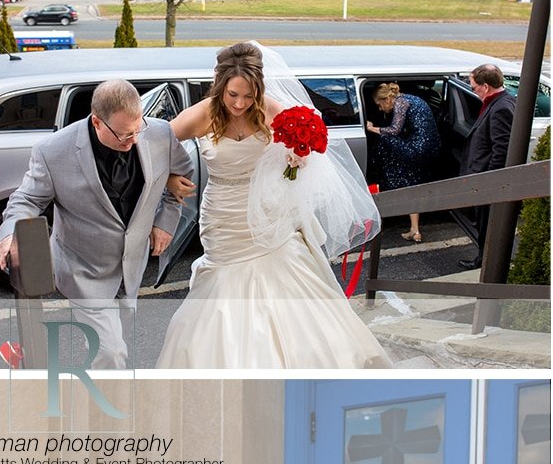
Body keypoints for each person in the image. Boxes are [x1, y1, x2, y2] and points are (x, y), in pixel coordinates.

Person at [156, 42, 389, 369]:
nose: (240, 104)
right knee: (223, 286)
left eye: (248, 96)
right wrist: (168, 178)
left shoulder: (272, 110)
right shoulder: (201, 115)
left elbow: (306, 153)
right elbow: (152, 146)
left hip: (269, 214)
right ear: (220, 86)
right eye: (232, 94)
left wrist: (299, 157)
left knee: (287, 278)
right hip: (223, 218)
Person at [0, 79, 195, 369]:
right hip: (83, 269)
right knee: (111, 352)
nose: (134, 140)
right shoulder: (52, 151)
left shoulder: (159, 133)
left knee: (119, 345)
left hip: (132, 265)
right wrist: (9, 232)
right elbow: (26, 198)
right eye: (124, 135)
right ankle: (104, 408)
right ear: (97, 122)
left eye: (137, 130)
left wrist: (165, 221)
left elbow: (182, 180)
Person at [365, 81, 441, 243]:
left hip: (417, 148)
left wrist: (372, 129)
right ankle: (415, 229)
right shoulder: (411, 98)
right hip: (430, 146)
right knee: (411, 182)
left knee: (382, 145)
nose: (380, 109)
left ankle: (379, 187)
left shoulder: (401, 103)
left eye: (379, 105)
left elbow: (394, 130)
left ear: (386, 99)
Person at [457, 63, 516, 268]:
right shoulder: (498, 101)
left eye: (473, 87)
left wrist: (490, 180)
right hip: (482, 175)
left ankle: (485, 262)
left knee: (486, 224)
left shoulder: (501, 108)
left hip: (487, 179)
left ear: (485, 87)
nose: (473, 90)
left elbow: (502, 149)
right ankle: (484, 258)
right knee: (483, 222)